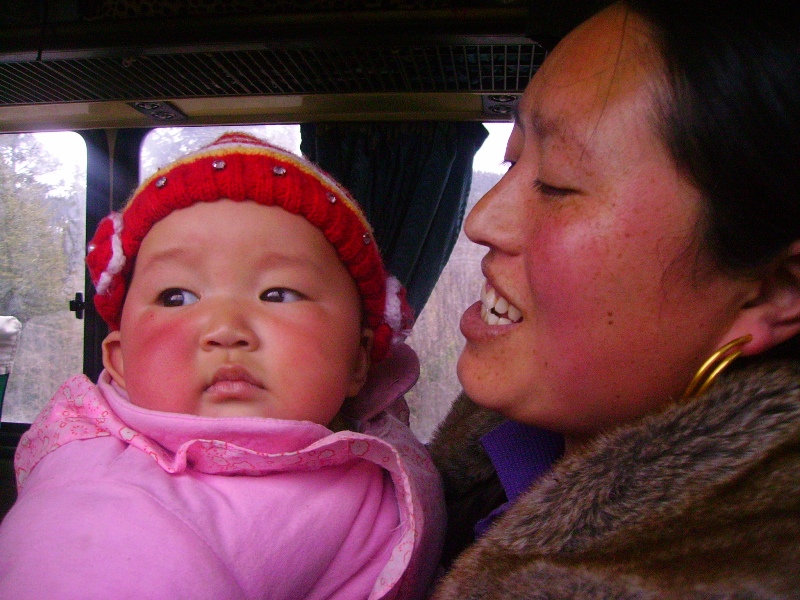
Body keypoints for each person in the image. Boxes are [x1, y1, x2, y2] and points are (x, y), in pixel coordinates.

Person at [428, 0, 800, 597]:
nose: (481, 220)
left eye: (557, 183)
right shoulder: (485, 463)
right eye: (512, 157)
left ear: (773, 291)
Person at [0, 133, 445, 600]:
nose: (226, 329)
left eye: (278, 294)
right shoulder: (100, 508)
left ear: (358, 360)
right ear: (120, 361)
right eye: (176, 297)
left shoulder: (372, 440)